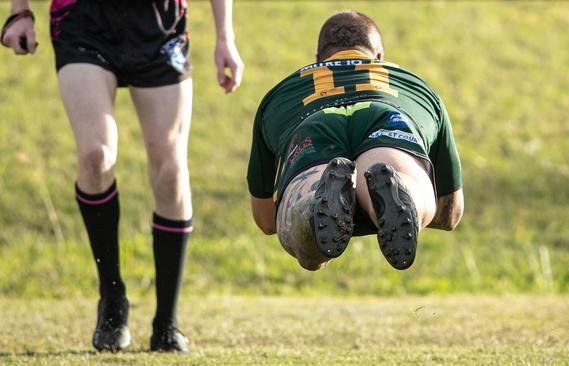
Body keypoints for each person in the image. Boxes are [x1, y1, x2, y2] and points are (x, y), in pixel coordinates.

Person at [2, 0, 244, 353]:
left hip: (159, 25)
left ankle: (167, 322)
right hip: (82, 21)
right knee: (95, 156)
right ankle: (112, 298)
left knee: (171, 172)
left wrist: (225, 37)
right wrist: (20, 11)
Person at [247, 11, 463, 272]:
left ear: (318, 59)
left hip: (313, 123)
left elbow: (266, 220)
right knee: (407, 180)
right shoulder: (418, 87)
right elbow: (450, 213)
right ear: (380, 57)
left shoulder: (280, 94)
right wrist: (378, 211)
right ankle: (405, 193)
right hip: (386, 115)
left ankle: (313, 206)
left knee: (304, 205)